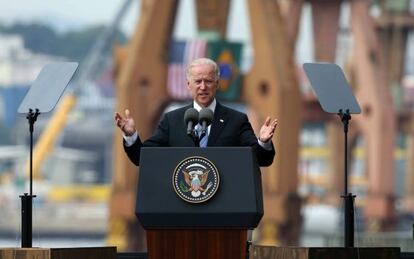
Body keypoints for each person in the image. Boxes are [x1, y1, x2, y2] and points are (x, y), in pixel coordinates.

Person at [114, 58, 278, 167]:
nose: (203, 87)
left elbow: (261, 159)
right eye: (198, 81)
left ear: (217, 84)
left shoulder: (236, 120)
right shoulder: (173, 120)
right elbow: (143, 158)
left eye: (208, 81)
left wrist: (263, 142)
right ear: (188, 85)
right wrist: (131, 136)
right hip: (182, 210)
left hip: (223, 210)